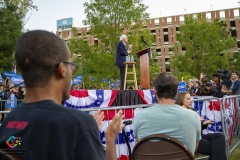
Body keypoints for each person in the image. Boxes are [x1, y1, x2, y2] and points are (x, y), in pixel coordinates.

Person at [0, 30, 123, 160]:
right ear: (62, 69)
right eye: (71, 66)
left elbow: (18, 146)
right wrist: (109, 138)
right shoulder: (77, 125)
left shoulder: (10, 123)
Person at [133, 72, 201, 155]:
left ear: (154, 91)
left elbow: (139, 148)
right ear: (176, 91)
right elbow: (193, 151)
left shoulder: (140, 116)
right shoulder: (193, 116)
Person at [175, 92, 227, 160]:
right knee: (217, 147)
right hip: (191, 139)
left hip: (200, 135)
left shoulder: (192, 110)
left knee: (220, 136)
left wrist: (203, 124)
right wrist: (186, 113)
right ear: (181, 100)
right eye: (188, 99)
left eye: (190, 98)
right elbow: (184, 128)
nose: (191, 101)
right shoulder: (176, 112)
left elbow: (197, 127)